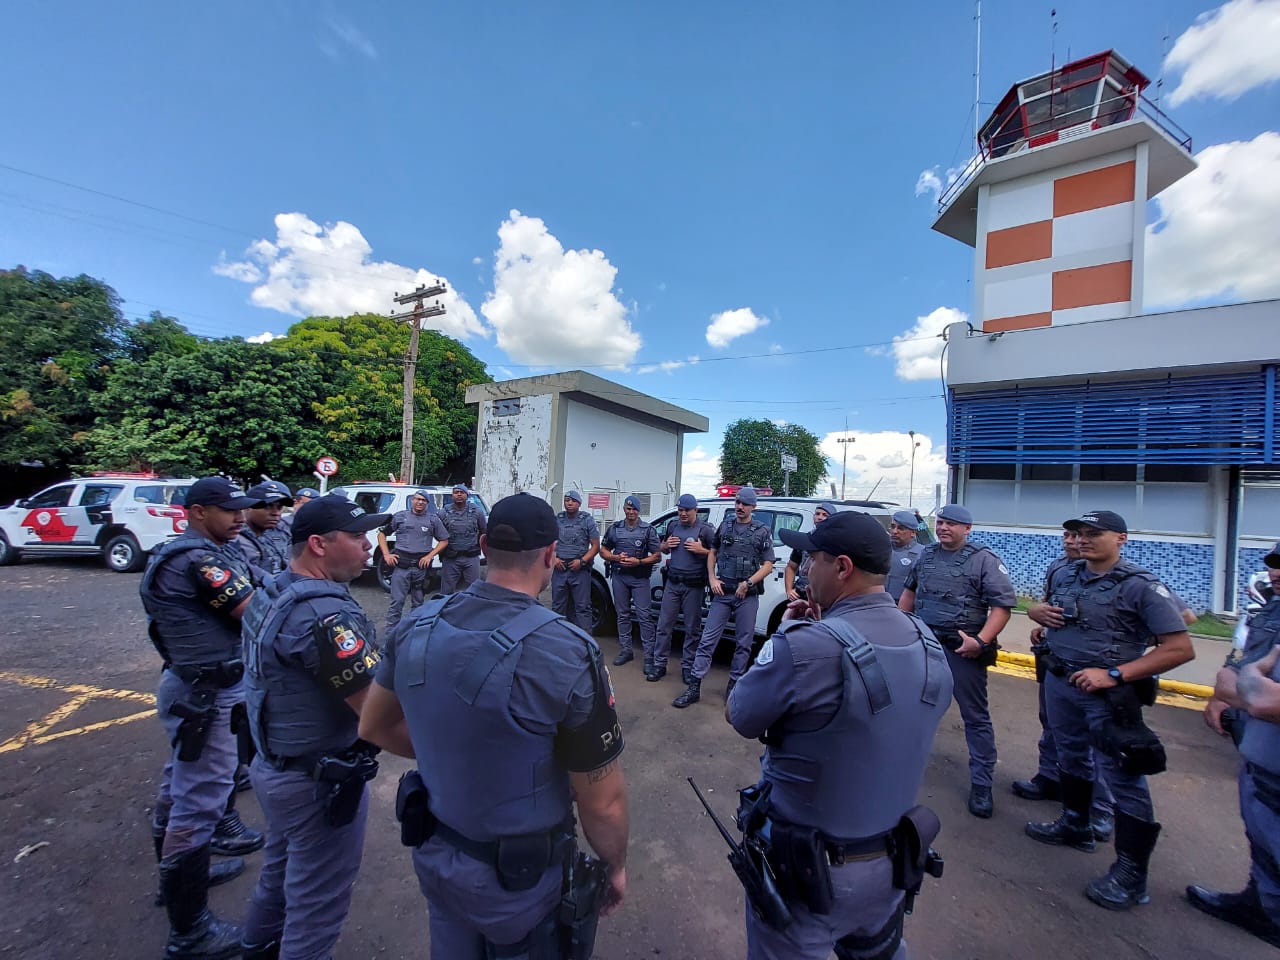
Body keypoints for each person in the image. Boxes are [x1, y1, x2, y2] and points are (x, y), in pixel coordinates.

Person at [358, 493, 630, 959]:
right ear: (549, 555)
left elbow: (373, 726)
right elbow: (601, 802)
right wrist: (616, 866)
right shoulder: (567, 650)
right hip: (519, 884)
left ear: (483, 544)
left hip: (438, 857)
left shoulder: (415, 626)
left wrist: (455, 759)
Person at [727, 511, 953, 960]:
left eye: (814, 559)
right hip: (893, 865)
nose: (806, 569)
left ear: (843, 568)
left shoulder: (806, 645)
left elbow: (742, 714)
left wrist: (793, 631)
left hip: (810, 876)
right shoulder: (927, 640)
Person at [238, 495, 391, 959]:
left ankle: (255, 948)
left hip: (277, 764)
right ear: (319, 545)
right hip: (314, 782)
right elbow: (377, 716)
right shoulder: (325, 616)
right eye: (357, 536)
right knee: (316, 907)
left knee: (281, 874)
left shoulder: (273, 589)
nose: (369, 546)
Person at [1025, 510, 1193, 910]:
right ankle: (1076, 823)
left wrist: (1115, 674)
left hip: (1109, 696)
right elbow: (1050, 609)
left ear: (1121, 538)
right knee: (1070, 755)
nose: (1083, 540)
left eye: (1094, 534)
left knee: (1123, 775)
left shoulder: (1141, 586)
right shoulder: (1065, 573)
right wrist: (1037, 616)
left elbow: (1180, 647)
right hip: (1060, 679)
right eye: (1079, 533)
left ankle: (1132, 874)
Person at [141, 476, 265, 959]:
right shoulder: (198, 560)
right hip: (205, 694)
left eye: (240, 509)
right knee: (199, 801)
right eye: (226, 510)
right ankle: (189, 930)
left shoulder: (194, 553)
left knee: (180, 790)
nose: (238, 516)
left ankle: (179, 881)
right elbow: (254, 609)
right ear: (196, 511)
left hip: (197, 686)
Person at [1186, 540, 1280, 947]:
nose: (1275, 573)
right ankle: (1260, 904)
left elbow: (1264, 699)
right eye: (1275, 563)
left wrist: (1244, 690)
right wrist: (1233, 691)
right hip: (1260, 755)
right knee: (1262, 840)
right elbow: (1239, 667)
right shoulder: (1271, 608)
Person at [898, 503, 1015, 819]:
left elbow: (1001, 607)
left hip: (962, 651)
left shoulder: (983, 560)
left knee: (975, 717)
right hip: (925, 647)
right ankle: (902, 765)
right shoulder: (926, 555)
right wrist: (900, 627)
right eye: (941, 522)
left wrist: (981, 641)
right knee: (915, 706)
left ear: (967, 529)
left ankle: (982, 783)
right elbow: (909, 594)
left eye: (952, 523)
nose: (944, 527)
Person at [674, 487, 776, 708]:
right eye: (738, 503)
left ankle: (735, 684)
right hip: (723, 593)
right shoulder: (726, 525)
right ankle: (694, 686)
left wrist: (748, 583)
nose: (740, 507)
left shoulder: (761, 531)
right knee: (707, 640)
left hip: (746, 596)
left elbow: (768, 564)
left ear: (753, 507)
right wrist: (712, 578)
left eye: (745, 504)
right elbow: (713, 551)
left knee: (744, 643)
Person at [656, 494, 714, 684]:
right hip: (673, 583)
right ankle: (659, 664)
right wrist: (665, 545)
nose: (682, 514)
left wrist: (702, 550)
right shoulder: (673, 526)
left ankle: (688, 667)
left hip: (693, 586)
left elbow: (718, 555)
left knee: (692, 629)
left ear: (695, 510)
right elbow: (662, 548)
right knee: (664, 625)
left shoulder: (705, 530)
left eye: (686, 511)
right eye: (680, 510)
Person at [599, 495, 661, 669]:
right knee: (622, 614)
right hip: (620, 576)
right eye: (628, 508)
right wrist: (616, 557)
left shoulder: (647, 530)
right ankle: (626, 650)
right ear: (624, 509)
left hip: (639, 578)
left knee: (644, 617)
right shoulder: (615, 528)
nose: (631, 512)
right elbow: (603, 550)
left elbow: (657, 556)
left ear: (638, 510)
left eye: (634, 509)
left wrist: (639, 562)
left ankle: (649, 656)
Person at [378, 490, 449, 636]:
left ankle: (412, 635)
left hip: (421, 569)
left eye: (424, 500)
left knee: (418, 604)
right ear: (412, 500)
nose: (420, 502)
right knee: (396, 603)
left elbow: (444, 540)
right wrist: (386, 554)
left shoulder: (432, 520)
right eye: (417, 499)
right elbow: (382, 534)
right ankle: (390, 637)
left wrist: (430, 556)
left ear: (427, 503)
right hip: (401, 567)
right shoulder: (401, 517)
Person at [552, 490, 600, 633]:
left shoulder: (587, 520)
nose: (569, 503)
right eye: (567, 500)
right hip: (560, 569)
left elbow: (596, 546)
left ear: (579, 503)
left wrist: (582, 561)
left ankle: (586, 642)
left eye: (573, 500)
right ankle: (557, 638)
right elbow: (549, 542)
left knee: (583, 608)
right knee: (557, 608)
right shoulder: (558, 519)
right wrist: (554, 559)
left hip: (579, 570)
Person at [236, 481, 293, 587]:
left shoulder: (271, 536)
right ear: (248, 507)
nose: (275, 513)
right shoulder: (236, 540)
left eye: (279, 507)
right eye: (267, 506)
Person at [439, 483, 487, 593]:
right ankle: (446, 610)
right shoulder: (443, 513)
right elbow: (438, 534)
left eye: (462, 492)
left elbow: (484, 532)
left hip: (471, 557)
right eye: (456, 492)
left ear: (467, 495)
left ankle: (472, 610)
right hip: (451, 558)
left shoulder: (477, 512)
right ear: (452, 496)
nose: (459, 495)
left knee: (474, 590)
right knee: (446, 591)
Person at [783, 502, 836, 601]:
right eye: (817, 514)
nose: (819, 517)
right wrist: (789, 590)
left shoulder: (836, 543)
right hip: (802, 594)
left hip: (825, 598)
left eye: (825, 515)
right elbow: (791, 567)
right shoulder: (804, 540)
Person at [884, 509, 925, 603]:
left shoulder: (922, 553)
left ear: (913, 533)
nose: (894, 531)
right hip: (880, 604)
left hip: (905, 606)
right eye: (892, 527)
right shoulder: (882, 548)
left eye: (901, 528)